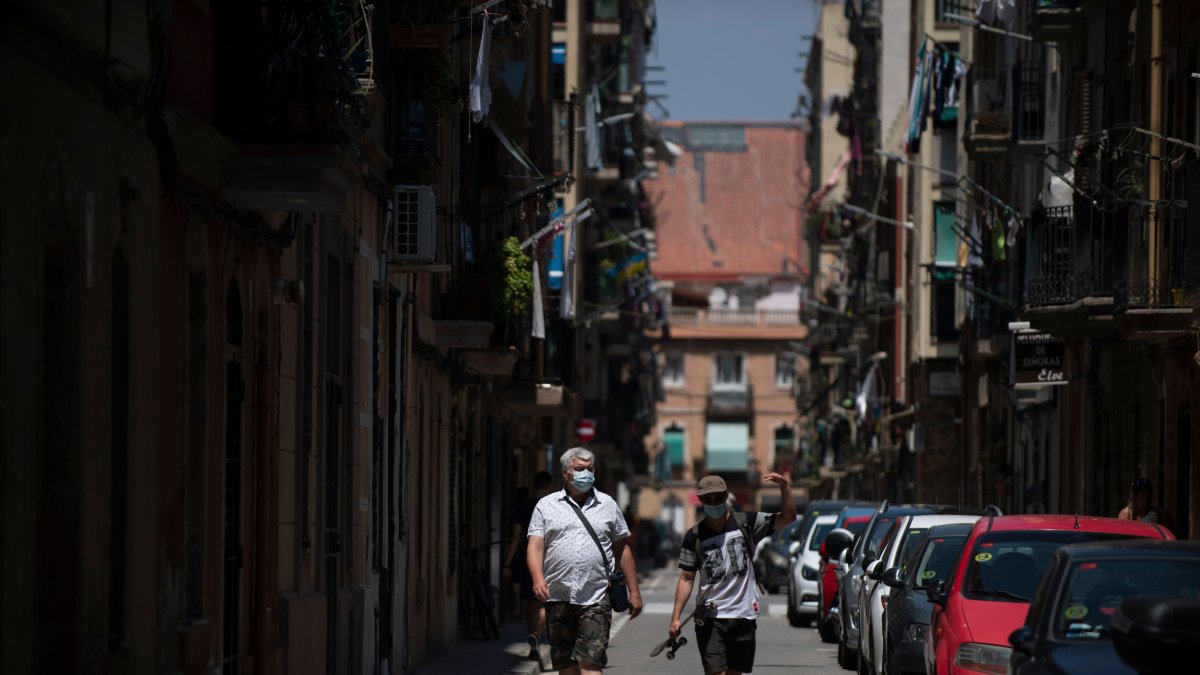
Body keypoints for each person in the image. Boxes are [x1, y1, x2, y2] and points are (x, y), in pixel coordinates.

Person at [527, 447, 644, 675]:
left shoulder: (608, 504)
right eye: (579, 469)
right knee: (567, 667)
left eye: (590, 469)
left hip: (596, 596)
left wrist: (635, 591)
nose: (586, 474)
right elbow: (535, 545)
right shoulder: (546, 505)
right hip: (558, 596)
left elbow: (623, 548)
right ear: (565, 473)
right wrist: (537, 578)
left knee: (591, 665)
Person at [669, 473, 796, 675]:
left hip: (743, 615)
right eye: (707, 499)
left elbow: (788, 518)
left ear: (726, 496)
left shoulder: (747, 523)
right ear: (701, 501)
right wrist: (676, 617)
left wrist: (784, 487)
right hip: (710, 617)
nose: (713, 503)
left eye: (718, 498)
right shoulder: (694, 536)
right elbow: (686, 578)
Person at [504, 470, 555, 661]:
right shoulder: (553, 508)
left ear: (534, 485)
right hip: (549, 559)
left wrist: (507, 564)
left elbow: (516, 537)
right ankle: (537, 634)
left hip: (528, 559)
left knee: (530, 602)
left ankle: (531, 636)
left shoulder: (522, 507)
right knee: (547, 603)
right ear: (549, 487)